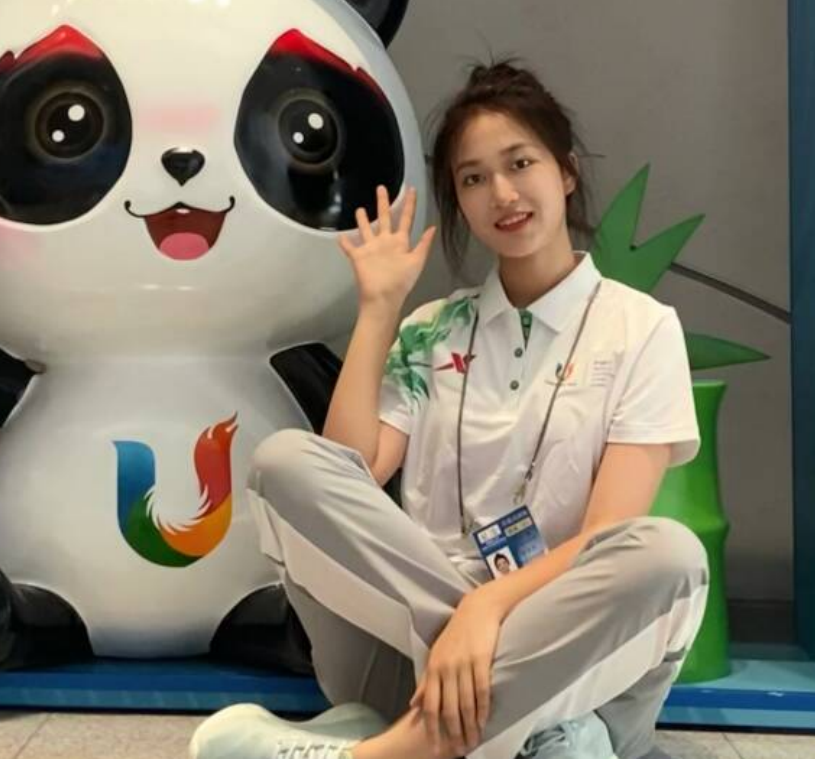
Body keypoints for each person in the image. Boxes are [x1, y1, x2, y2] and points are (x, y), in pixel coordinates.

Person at [190, 62, 708, 759]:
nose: (502, 193)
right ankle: (524, 734)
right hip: (411, 655)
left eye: (520, 163)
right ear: (458, 202)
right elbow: (352, 469)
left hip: (571, 657)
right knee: (284, 461)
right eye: (472, 178)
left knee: (668, 556)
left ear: (565, 171)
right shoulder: (431, 330)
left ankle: (388, 749)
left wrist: (488, 607)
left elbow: (606, 533)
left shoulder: (641, 328)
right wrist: (379, 309)